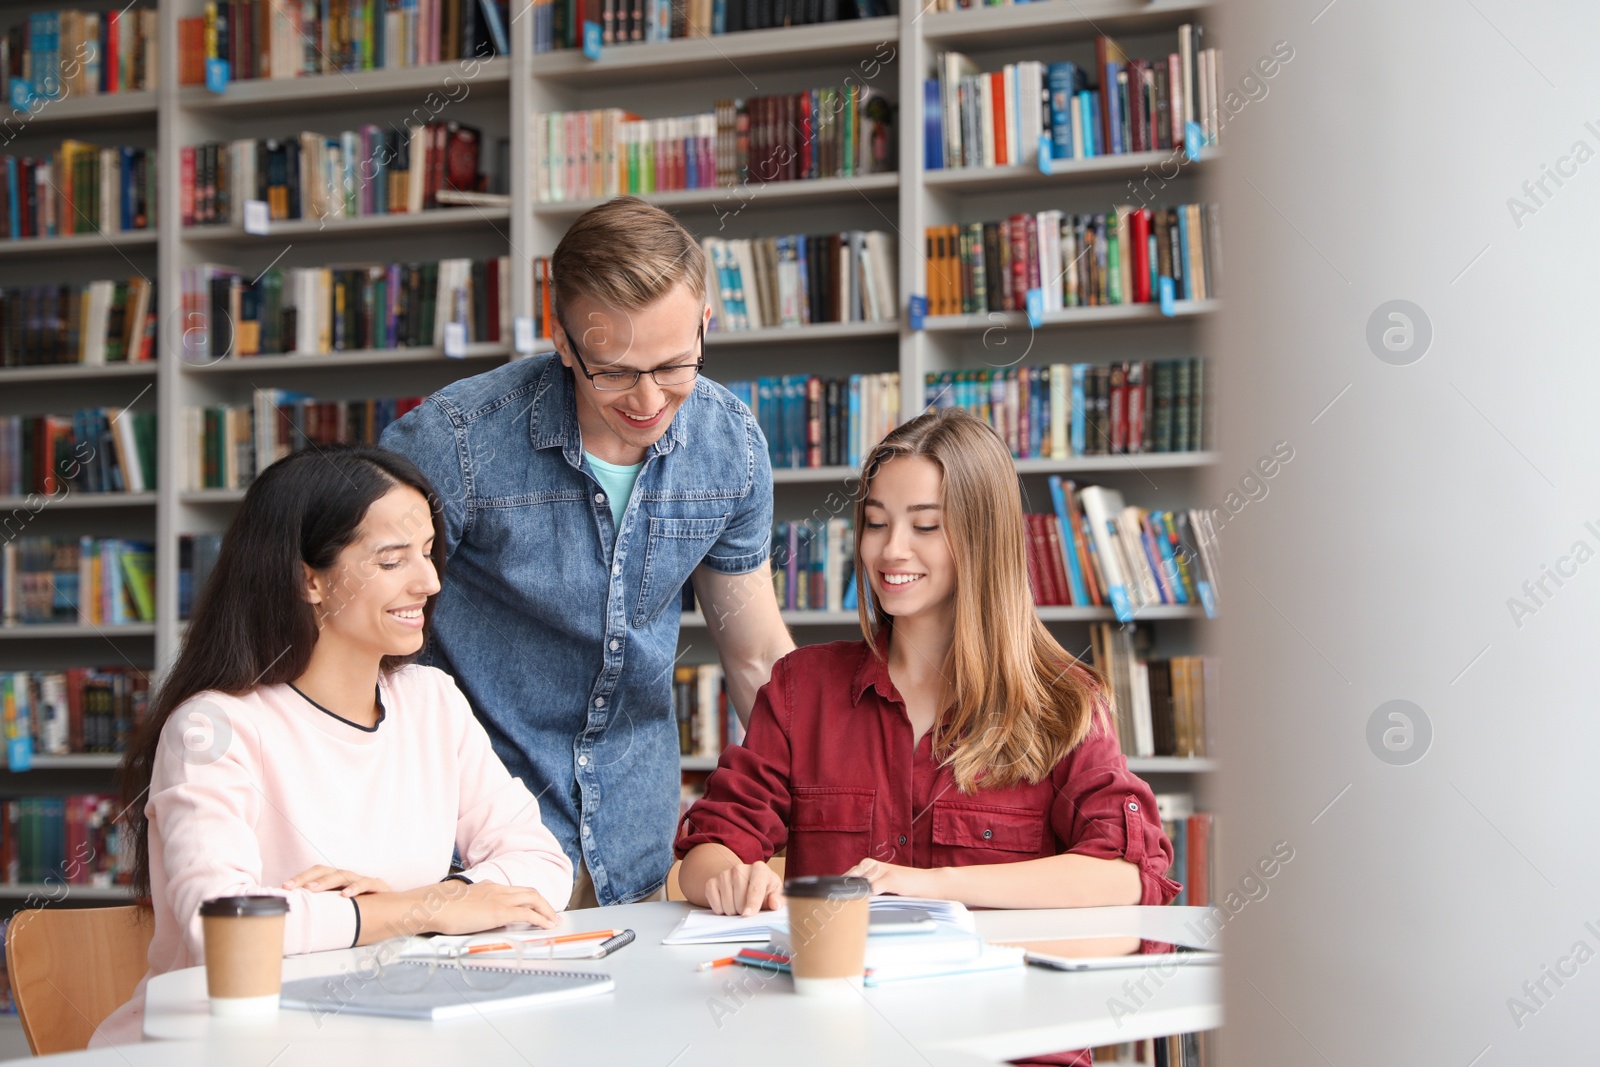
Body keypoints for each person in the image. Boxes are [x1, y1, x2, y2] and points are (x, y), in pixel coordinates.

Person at [382, 196, 793, 907]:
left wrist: (826, 812)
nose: (648, 400)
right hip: (469, 856)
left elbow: (755, 656)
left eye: (674, 365)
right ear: (563, 340)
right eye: (614, 370)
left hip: (639, 852)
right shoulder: (454, 444)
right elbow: (357, 643)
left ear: (704, 324)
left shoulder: (731, 447)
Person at [97, 445, 573, 1045]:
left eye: (427, 553)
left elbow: (543, 864)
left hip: (377, 1032)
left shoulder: (433, 702)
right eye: (393, 559)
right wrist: (413, 911)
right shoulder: (213, 728)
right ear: (309, 579)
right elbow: (218, 919)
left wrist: (425, 900)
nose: (429, 582)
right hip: (218, 1046)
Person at [676, 405, 1179, 914]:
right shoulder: (802, 687)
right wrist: (731, 877)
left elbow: (1129, 876)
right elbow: (709, 848)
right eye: (876, 523)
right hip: (840, 988)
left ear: (982, 539)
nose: (891, 549)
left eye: (926, 526)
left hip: (992, 992)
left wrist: (926, 885)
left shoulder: (1063, 703)